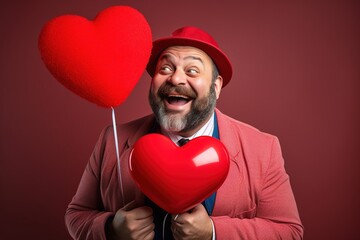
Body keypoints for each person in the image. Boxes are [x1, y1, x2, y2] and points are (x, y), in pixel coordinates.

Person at [65, 26, 304, 240]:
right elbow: (76, 214)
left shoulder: (263, 148)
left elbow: (289, 232)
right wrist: (110, 229)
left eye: (192, 70)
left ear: (216, 86)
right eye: (166, 67)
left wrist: (213, 233)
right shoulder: (111, 138)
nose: (176, 78)